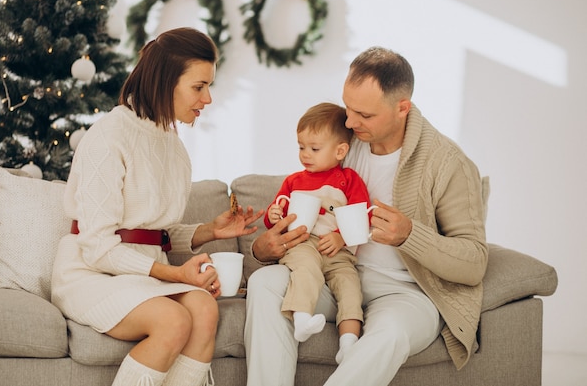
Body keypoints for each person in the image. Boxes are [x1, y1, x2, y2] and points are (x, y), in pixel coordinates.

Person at [244, 46, 488, 386]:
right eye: (348, 108)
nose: (349, 122)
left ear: (402, 108)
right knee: (265, 284)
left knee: (388, 335)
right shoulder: (345, 143)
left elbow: (474, 261)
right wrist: (266, 245)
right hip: (338, 275)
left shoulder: (447, 164)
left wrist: (409, 235)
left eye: (365, 116)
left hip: (406, 294)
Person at [51, 27, 263, 386]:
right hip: (90, 273)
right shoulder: (110, 135)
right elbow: (98, 247)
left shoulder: (173, 145)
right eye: (199, 87)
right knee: (173, 319)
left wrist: (212, 231)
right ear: (166, 81)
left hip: (137, 274)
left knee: (204, 308)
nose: (208, 99)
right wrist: (178, 275)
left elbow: (152, 232)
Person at [264, 102, 371, 363]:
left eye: (314, 148)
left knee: (350, 286)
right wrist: (272, 215)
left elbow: (363, 215)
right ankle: (301, 319)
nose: (305, 155)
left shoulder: (349, 180)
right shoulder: (294, 181)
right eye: (301, 147)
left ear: (340, 151)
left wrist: (340, 237)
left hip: (338, 251)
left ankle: (348, 343)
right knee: (306, 270)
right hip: (302, 242)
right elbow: (277, 212)